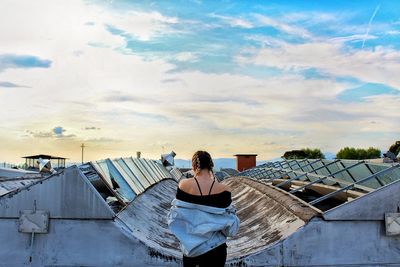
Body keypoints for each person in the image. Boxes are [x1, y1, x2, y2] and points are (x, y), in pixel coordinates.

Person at [167, 151, 240, 267]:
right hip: (216, 249)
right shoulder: (224, 189)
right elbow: (230, 228)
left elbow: (176, 217)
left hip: (190, 251)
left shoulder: (183, 185)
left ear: (194, 166)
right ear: (211, 165)